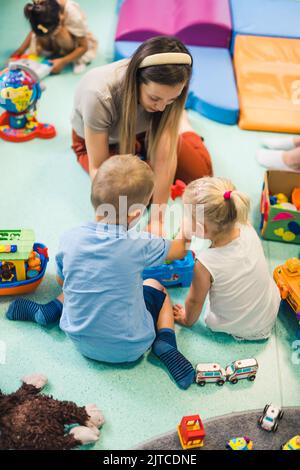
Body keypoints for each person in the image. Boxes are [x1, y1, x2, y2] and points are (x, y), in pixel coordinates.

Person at [6, 155, 195, 389]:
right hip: (132, 345)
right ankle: (166, 343)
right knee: (157, 287)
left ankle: (48, 311)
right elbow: (178, 251)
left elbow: (62, 280)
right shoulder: (141, 243)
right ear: (136, 214)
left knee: (80, 280)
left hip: (79, 338)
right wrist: (187, 228)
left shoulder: (70, 238)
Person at [71, 35, 213, 232]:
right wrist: (114, 218)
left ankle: (184, 124)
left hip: (144, 132)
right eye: (155, 98)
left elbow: (165, 158)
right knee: (132, 193)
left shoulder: (165, 99)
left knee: (201, 173)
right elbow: (99, 168)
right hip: (104, 142)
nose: (163, 107)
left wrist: (158, 220)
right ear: (136, 80)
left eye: (172, 100)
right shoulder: (98, 94)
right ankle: (178, 125)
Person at [172, 177, 281, 340]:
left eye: (187, 216)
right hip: (268, 312)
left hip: (241, 327)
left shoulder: (204, 264)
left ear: (201, 229)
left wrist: (187, 319)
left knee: (209, 310)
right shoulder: (246, 226)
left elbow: (195, 302)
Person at [12, 0, 98, 74]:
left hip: (73, 40)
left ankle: (73, 58)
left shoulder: (73, 13)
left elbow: (84, 46)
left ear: (61, 17)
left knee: (61, 33)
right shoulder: (39, 7)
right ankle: (51, 48)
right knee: (42, 33)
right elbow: (35, 30)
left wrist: (63, 61)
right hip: (52, 33)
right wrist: (20, 50)